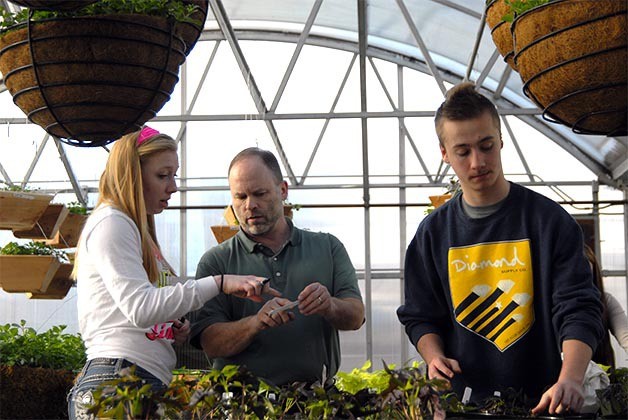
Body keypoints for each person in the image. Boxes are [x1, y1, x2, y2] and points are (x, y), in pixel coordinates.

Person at [396, 82, 605, 415]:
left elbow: (578, 306)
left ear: (501, 140)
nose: (477, 161)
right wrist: (434, 357)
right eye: (463, 151)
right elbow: (421, 316)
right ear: (445, 154)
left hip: (543, 401)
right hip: (463, 406)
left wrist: (571, 378)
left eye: (486, 145)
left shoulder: (548, 221)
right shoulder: (432, 233)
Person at [68, 128, 278, 419]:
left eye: (174, 175)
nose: (173, 186)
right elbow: (140, 309)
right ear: (132, 174)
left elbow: (137, 311)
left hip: (135, 378)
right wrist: (219, 283)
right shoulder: (112, 223)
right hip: (118, 381)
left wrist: (169, 329)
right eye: (163, 175)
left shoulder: (135, 229)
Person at [190, 147, 365, 386]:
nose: (250, 205)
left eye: (260, 193)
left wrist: (330, 305)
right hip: (244, 405)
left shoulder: (327, 248)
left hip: (315, 401)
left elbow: (356, 316)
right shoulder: (217, 262)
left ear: (283, 190)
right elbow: (210, 343)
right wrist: (256, 323)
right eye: (240, 197)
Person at [584, 245, 628, 368]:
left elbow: (625, 336)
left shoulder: (606, 300)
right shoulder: (552, 303)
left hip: (601, 377)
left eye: (586, 274)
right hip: (558, 381)